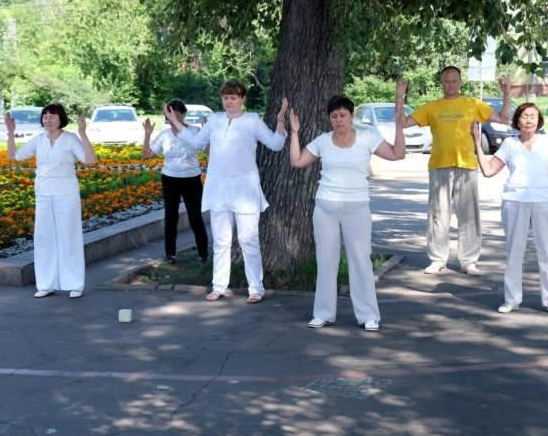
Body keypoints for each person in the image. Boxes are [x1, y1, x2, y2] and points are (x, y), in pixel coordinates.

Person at [288, 79, 407, 331]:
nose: (338, 120)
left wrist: (399, 125)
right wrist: (295, 133)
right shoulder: (322, 140)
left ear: (352, 116)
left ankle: (368, 315)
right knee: (326, 260)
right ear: (329, 119)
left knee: (360, 260)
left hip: (357, 207)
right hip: (326, 208)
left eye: (343, 115)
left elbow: (398, 154)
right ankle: (323, 312)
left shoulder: (367, 137)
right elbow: (297, 161)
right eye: (334, 116)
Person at [165, 79, 288, 304]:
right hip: (219, 188)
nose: (229, 101)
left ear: (243, 99)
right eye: (225, 97)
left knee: (249, 239)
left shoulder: (252, 120)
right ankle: (219, 285)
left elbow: (275, 144)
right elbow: (196, 142)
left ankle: (256, 288)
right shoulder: (215, 120)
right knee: (221, 241)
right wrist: (174, 121)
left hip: (245, 189)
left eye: (233, 97)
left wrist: (281, 120)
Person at [471, 104, 548, 316]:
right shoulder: (509, 144)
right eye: (525, 116)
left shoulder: (547, 144)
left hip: (543, 202)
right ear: (517, 121)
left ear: (539, 120)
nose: (529, 120)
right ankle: (511, 299)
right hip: (514, 202)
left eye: (533, 116)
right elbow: (488, 171)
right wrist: (477, 144)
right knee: (514, 252)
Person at [400, 66, 512, 276]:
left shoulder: (472, 104)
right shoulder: (432, 107)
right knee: (438, 215)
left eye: (454, 81)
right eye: (446, 81)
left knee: (468, 215)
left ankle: (468, 261)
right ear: (441, 83)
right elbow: (403, 123)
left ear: (460, 82)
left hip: (466, 165)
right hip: (439, 165)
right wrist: (399, 97)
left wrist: (506, 94)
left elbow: (503, 118)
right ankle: (437, 259)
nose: (450, 85)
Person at [6, 103, 97, 299]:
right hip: (43, 193)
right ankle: (46, 284)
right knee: (44, 238)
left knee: (68, 236)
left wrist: (83, 133)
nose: (48, 119)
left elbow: (90, 160)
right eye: (45, 116)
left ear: (61, 118)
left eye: (52, 116)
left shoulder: (70, 138)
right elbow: (14, 156)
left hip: (66, 193)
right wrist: (11, 132)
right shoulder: (39, 139)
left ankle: (75, 284)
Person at [142, 99, 209, 264]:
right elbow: (147, 154)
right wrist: (148, 134)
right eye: (169, 116)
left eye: (176, 116)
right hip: (170, 180)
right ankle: (170, 255)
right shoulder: (164, 135)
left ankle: (203, 254)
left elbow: (208, 151)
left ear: (184, 115)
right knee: (170, 218)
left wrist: (208, 131)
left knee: (195, 218)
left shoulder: (194, 131)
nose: (172, 120)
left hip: (192, 179)